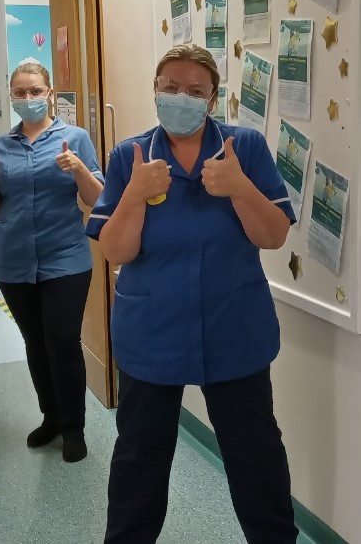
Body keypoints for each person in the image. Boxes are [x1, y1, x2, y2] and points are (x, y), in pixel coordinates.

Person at [86, 43, 299, 543]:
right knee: (140, 458)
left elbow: (273, 235)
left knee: (257, 457)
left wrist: (241, 188)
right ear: (156, 90)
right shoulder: (130, 156)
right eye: (171, 87)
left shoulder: (243, 148)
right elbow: (116, 250)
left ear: (213, 98)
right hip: (152, 333)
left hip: (234, 329)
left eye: (196, 90)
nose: (182, 96)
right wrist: (135, 194)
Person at [0, 62, 103, 463]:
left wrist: (80, 168)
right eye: (19, 92)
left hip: (65, 256)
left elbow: (97, 200)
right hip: (13, 260)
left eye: (34, 91)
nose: (27, 99)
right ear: (10, 96)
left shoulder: (75, 138)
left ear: (50, 93)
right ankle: (50, 417)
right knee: (36, 342)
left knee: (62, 340)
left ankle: (73, 428)